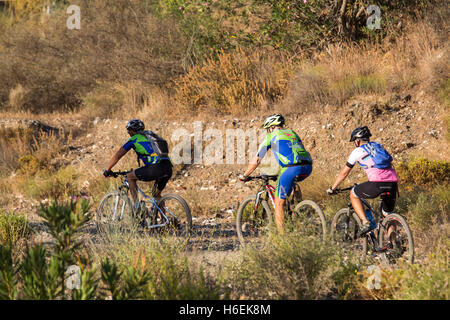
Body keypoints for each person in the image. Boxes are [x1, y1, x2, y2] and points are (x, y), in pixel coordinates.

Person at [239, 114, 313, 233]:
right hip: (307, 166)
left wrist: (245, 175)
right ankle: (300, 209)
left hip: (291, 168)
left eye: (267, 129)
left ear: (271, 127)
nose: (268, 132)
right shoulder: (292, 133)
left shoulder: (271, 137)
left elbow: (257, 159)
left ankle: (282, 238)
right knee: (292, 182)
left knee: (279, 203)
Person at [327, 126, 398, 236]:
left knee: (354, 193)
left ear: (357, 141)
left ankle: (366, 222)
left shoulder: (357, 151)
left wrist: (333, 188)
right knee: (387, 214)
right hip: (393, 183)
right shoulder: (378, 146)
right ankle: (394, 240)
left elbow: (344, 173)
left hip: (377, 183)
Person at [103, 119, 173, 216]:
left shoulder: (134, 138)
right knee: (156, 195)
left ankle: (137, 207)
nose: (128, 133)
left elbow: (118, 155)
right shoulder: (151, 135)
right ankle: (163, 222)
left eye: (128, 131)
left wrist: (107, 170)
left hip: (155, 168)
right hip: (168, 167)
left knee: (130, 177)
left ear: (132, 130)